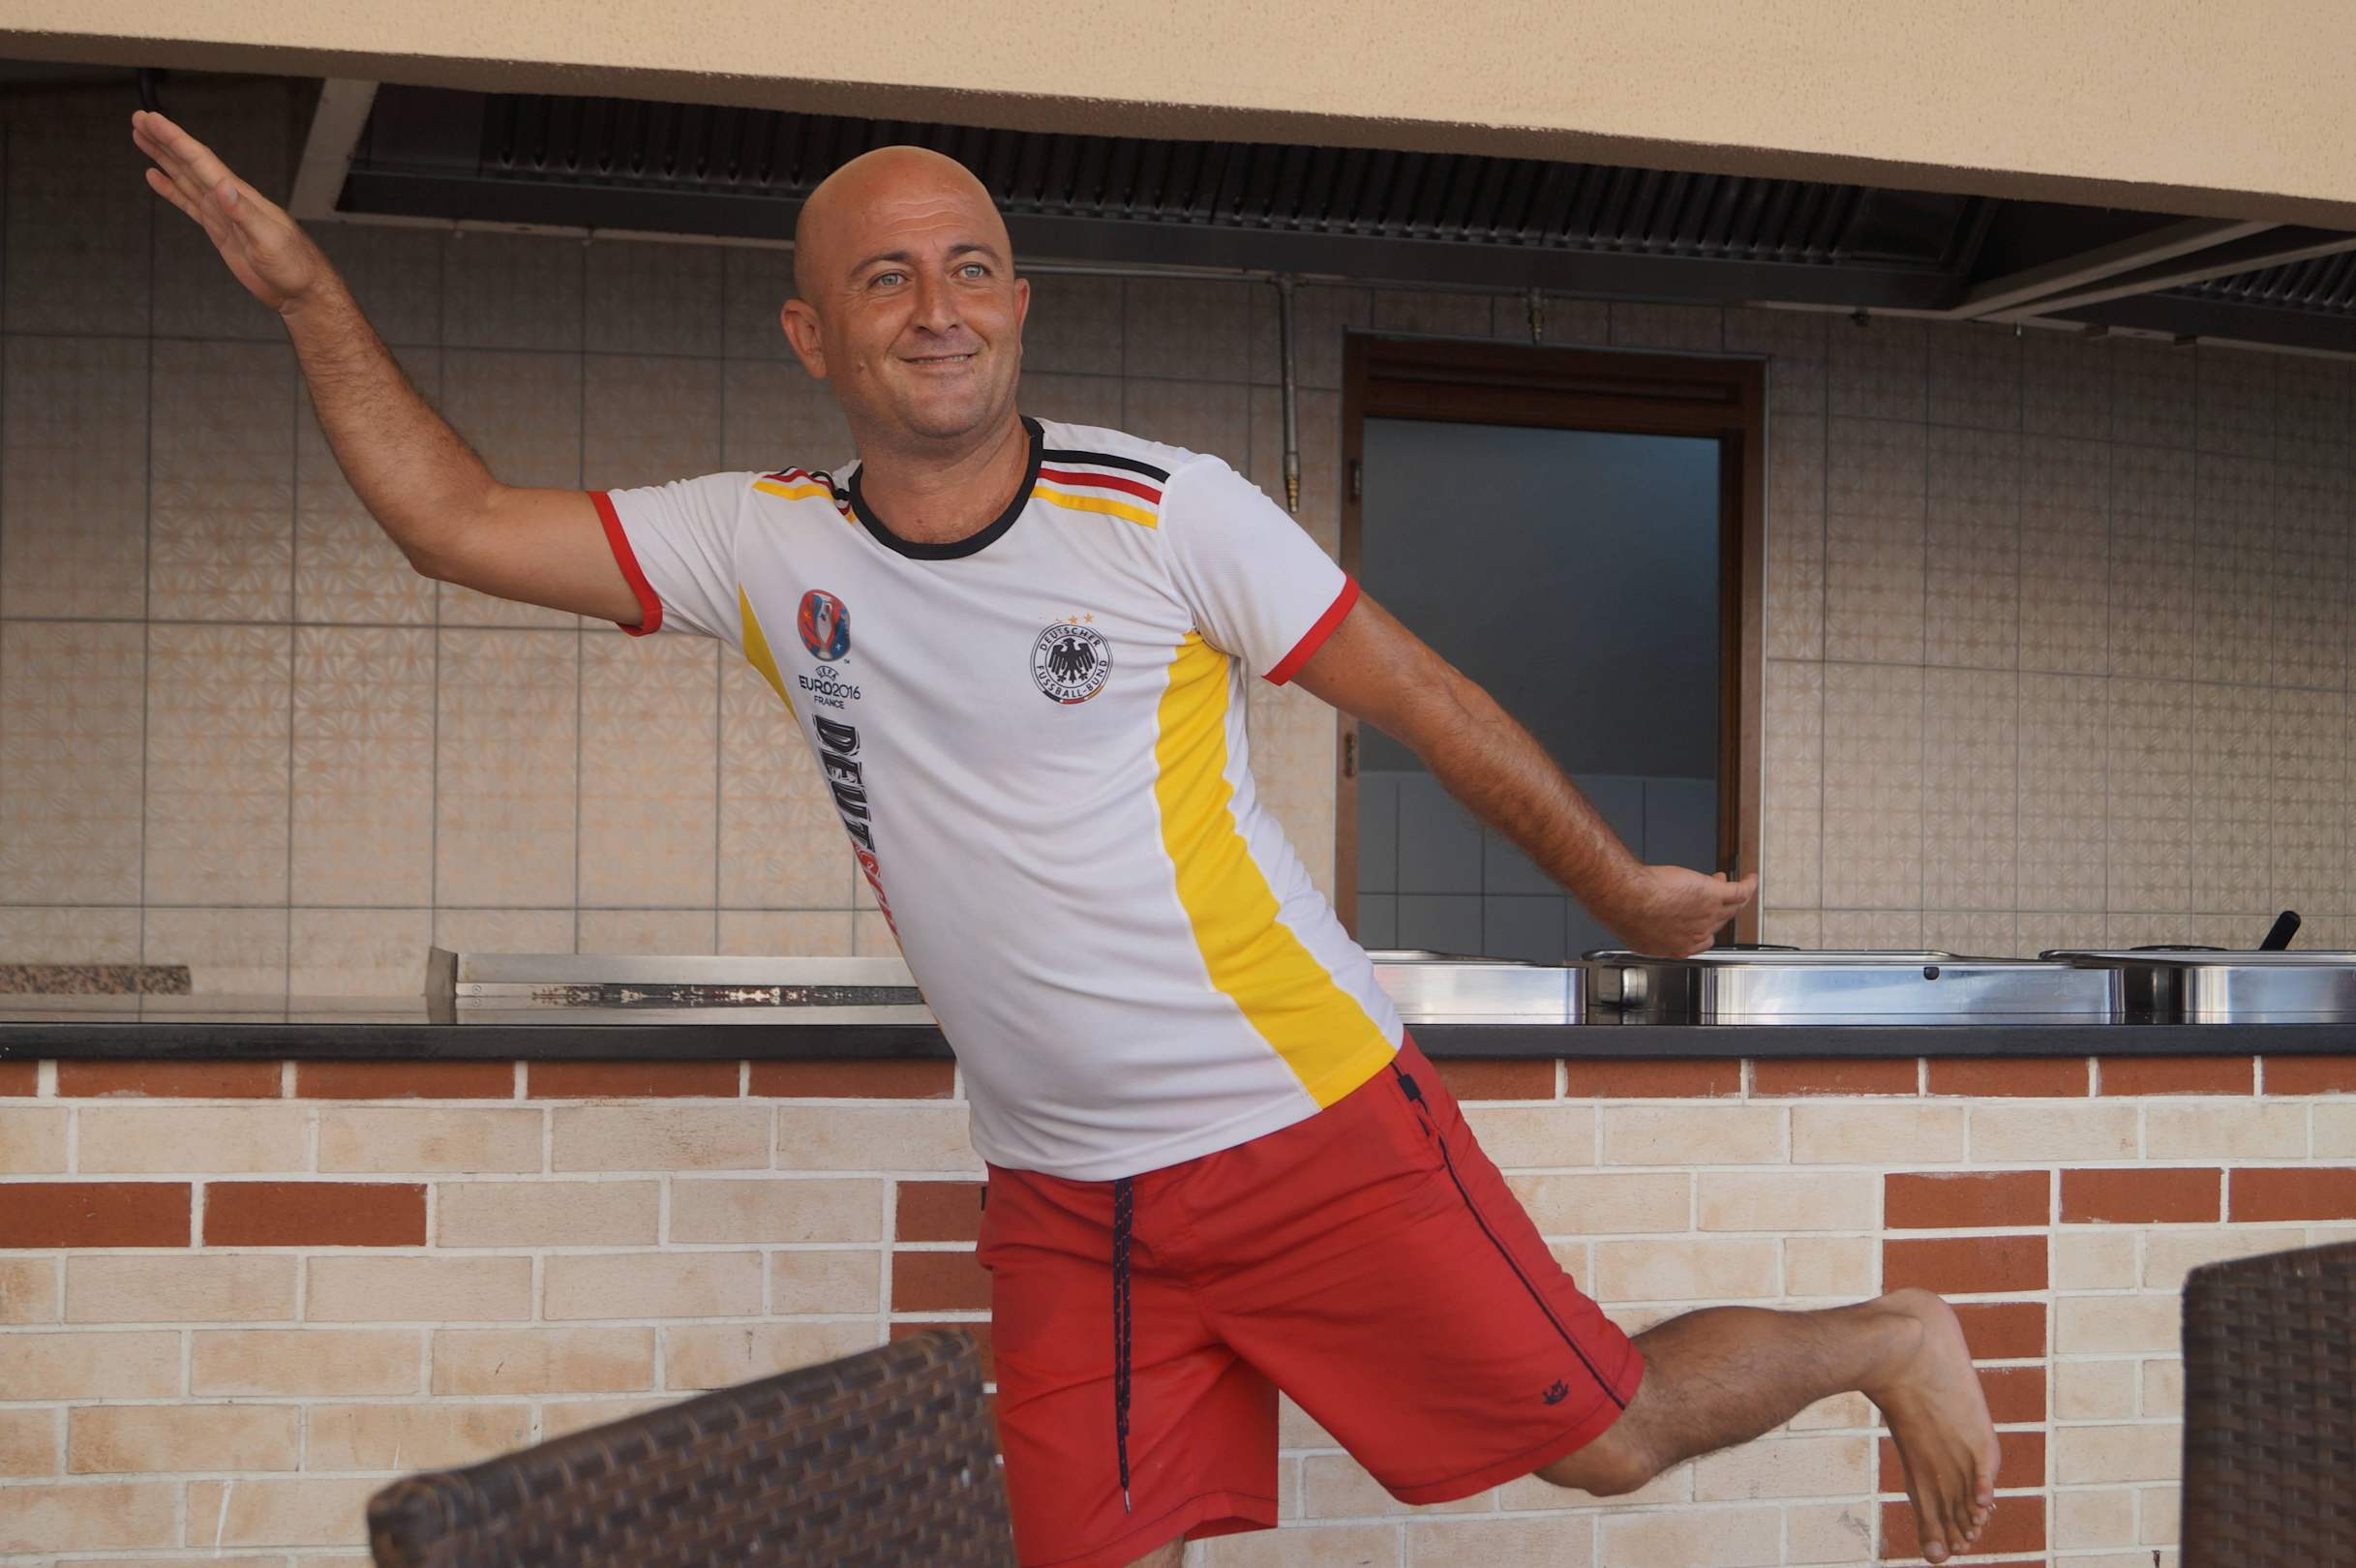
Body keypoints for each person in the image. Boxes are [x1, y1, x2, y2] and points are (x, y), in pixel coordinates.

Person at [134, 109, 2000, 1568]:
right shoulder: (763, 541)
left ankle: (1887, 1337)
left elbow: (1423, 699)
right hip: (1061, 1197)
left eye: (970, 269)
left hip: (1305, 1126)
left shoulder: (1169, 512)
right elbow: (454, 521)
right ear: (811, 331)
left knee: (1604, 1438)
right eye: (884, 279)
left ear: (1019, 304)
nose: (936, 306)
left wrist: (1619, 891)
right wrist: (309, 297)